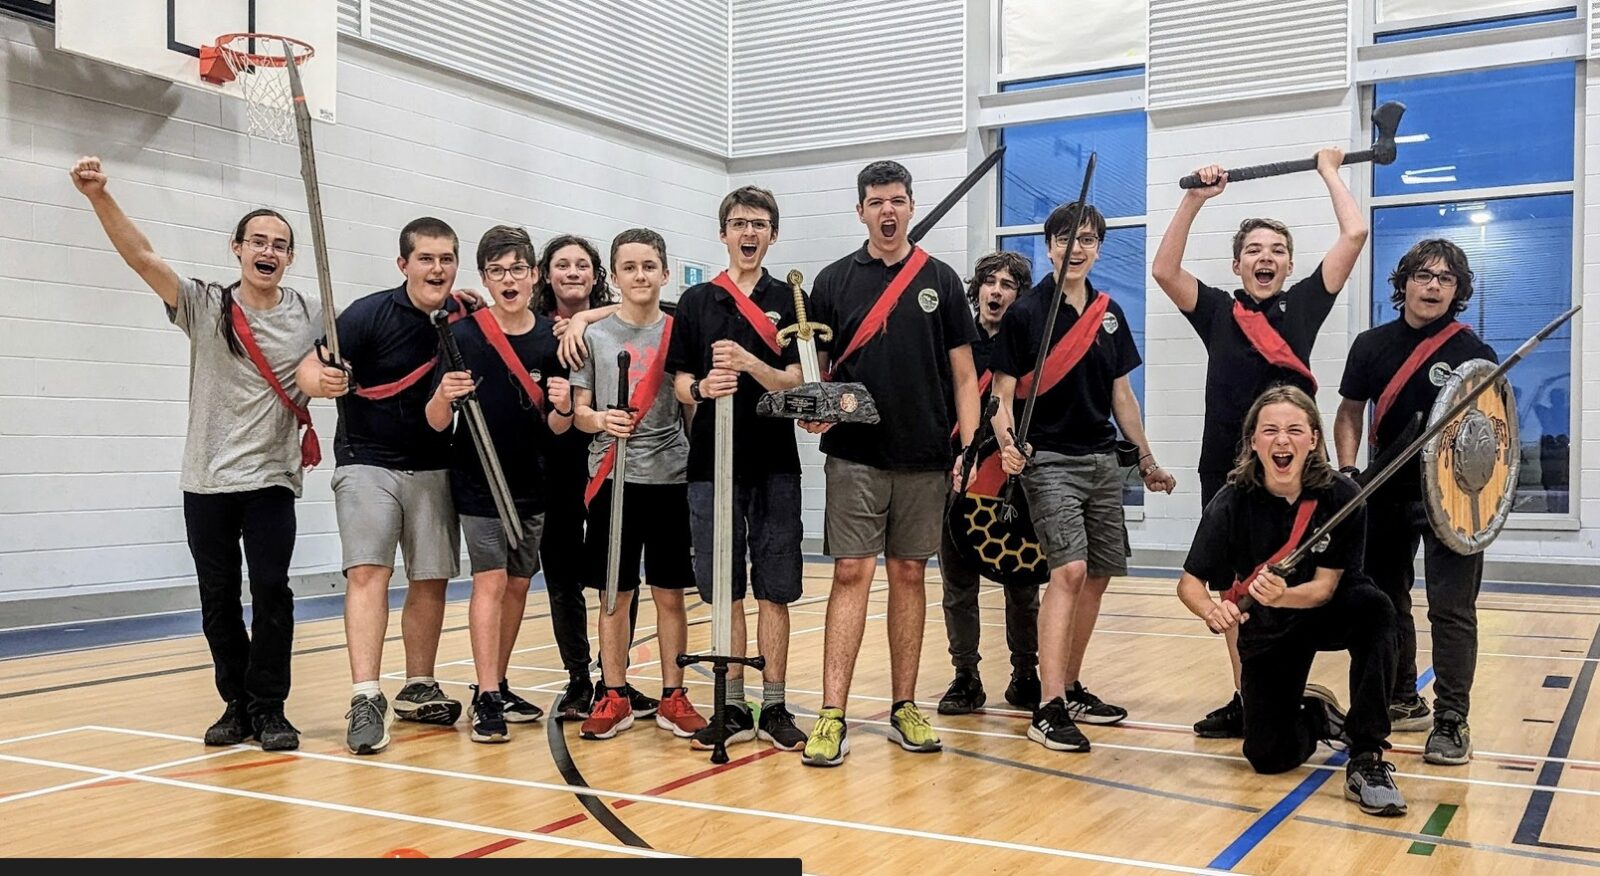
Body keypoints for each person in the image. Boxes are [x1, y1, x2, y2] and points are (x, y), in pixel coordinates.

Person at [72, 156, 317, 752]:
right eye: (257, 240)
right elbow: (143, 258)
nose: (268, 250)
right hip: (205, 480)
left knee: (272, 592)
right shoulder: (206, 306)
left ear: (289, 258)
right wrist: (100, 196)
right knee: (217, 599)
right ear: (237, 249)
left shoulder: (311, 314)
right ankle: (235, 702)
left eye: (279, 244)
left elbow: (349, 350)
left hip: (271, 478)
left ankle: (270, 707)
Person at [1151, 148, 1368, 739]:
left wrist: (1329, 169)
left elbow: (1355, 231)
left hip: (1295, 470)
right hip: (1225, 466)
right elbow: (1165, 270)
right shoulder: (1218, 310)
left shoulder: (1304, 304)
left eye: (1276, 250)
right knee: (1233, 588)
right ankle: (1250, 697)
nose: (1265, 257)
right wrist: (1194, 198)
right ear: (1238, 264)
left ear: (1290, 262)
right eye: (1254, 250)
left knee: (1293, 579)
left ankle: (1286, 691)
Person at [800, 160, 981, 767]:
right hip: (855, 456)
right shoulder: (831, 282)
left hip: (928, 457)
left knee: (909, 575)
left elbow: (963, 374)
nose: (888, 210)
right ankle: (832, 714)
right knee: (851, 573)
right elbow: (817, 375)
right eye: (876, 201)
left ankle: (905, 706)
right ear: (860, 210)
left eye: (898, 200)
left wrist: (968, 448)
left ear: (909, 205)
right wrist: (814, 409)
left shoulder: (943, 280)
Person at [993, 200, 1175, 753]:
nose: (1077, 248)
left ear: (1098, 249)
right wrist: (1006, 444)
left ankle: (1069, 686)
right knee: (1068, 571)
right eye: (1066, 238)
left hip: (1102, 461)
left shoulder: (1109, 313)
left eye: (1089, 239)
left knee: (1097, 573)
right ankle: (1046, 707)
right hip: (1047, 459)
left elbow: (1122, 395)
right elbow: (1000, 394)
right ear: (1049, 247)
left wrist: (1145, 458)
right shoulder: (1027, 313)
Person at [1177, 386, 1405, 817]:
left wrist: (1283, 594)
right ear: (1254, 442)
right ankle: (1315, 718)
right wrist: (1213, 609)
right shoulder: (1231, 502)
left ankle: (1367, 752)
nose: (1283, 440)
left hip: (1327, 609)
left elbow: (1324, 588)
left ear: (1313, 440)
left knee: (1377, 609)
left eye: (1294, 430)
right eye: (1271, 431)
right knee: (1267, 757)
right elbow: (1189, 582)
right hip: (1268, 625)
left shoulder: (1340, 497)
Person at [297, 217, 473, 755]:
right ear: (404, 264)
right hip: (368, 461)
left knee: (431, 577)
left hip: (436, 463)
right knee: (369, 571)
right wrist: (320, 381)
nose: (437, 268)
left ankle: (418, 685)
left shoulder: (464, 317)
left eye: (446, 259)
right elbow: (310, 370)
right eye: (426, 258)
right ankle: (366, 695)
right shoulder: (369, 314)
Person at [1336, 239, 1497, 766]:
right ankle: (1403, 697)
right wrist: (1349, 473)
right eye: (1424, 276)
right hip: (1386, 491)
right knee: (1387, 600)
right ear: (1403, 282)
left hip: (1455, 501)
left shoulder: (1476, 354)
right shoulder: (1371, 345)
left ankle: (1452, 719)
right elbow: (1349, 414)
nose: (1433, 287)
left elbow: (1493, 438)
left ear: (1458, 291)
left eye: (1446, 279)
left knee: (1451, 609)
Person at [666, 186, 809, 751]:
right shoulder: (699, 300)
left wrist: (753, 365)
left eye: (759, 223)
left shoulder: (794, 298)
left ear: (773, 233)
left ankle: (773, 707)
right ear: (722, 232)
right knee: (723, 587)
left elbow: (799, 378)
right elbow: (678, 379)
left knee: (775, 587)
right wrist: (701, 387)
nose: (748, 232)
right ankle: (730, 707)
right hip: (710, 464)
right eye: (738, 222)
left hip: (775, 462)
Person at [426, 225, 570, 742]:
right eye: (496, 271)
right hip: (478, 480)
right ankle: (485, 695)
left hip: (533, 480)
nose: (508, 280)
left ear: (534, 276)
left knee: (515, 583)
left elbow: (558, 427)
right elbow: (437, 421)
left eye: (517, 269)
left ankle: (499, 680)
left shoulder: (552, 338)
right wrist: (445, 393)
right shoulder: (462, 336)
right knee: (489, 580)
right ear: (484, 279)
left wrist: (565, 406)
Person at [570, 228, 707, 741]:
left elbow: (691, 407)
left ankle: (674, 694)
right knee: (613, 595)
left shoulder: (679, 333)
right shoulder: (595, 337)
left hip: (669, 480)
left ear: (665, 273)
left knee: (670, 594)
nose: (641, 275)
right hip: (613, 480)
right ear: (616, 275)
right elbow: (580, 411)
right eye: (629, 267)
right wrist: (601, 421)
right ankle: (615, 694)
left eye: (649, 266)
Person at [937, 251, 1042, 715]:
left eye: (1008, 285)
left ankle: (1025, 673)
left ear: (1020, 295)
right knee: (958, 584)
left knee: (1021, 580)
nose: (996, 291)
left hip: (1011, 479)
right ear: (976, 289)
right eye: (989, 282)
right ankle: (966, 677)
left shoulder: (1031, 342)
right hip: (958, 474)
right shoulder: (953, 341)